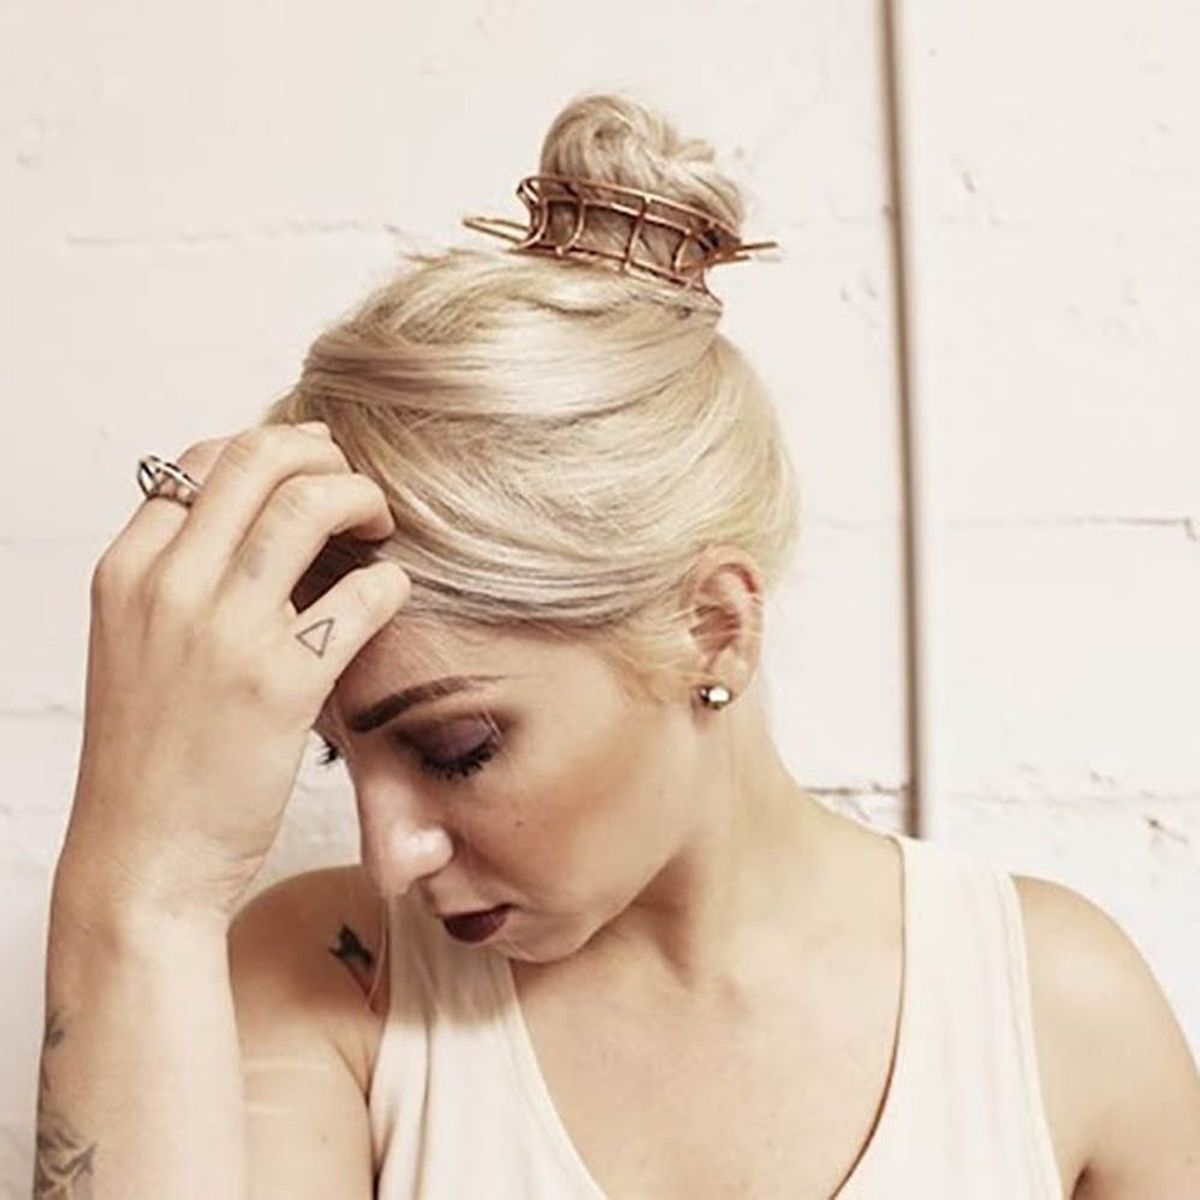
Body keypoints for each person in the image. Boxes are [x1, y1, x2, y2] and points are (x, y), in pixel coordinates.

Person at [36, 91, 1200, 1199]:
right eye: (342, 755)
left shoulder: (1054, 1010)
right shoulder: (333, 985)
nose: (390, 856)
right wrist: (140, 887)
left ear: (715, 629)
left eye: (456, 747)